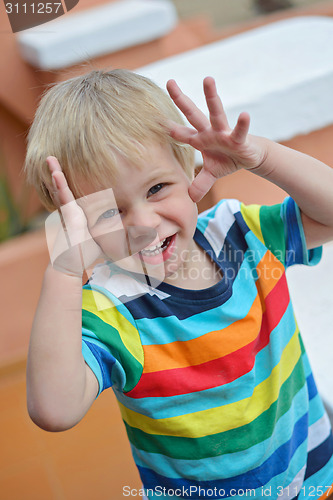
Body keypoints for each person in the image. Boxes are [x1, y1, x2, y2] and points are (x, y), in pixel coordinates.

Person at [25, 69, 333, 499]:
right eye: (108, 212)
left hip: (311, 475)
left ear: (189, 164)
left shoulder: (241, 234)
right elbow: (54, 409)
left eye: (156, 188)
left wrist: (260, 155)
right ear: (76, 224)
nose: (143, 225)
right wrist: (63, 268)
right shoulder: (111, 308)